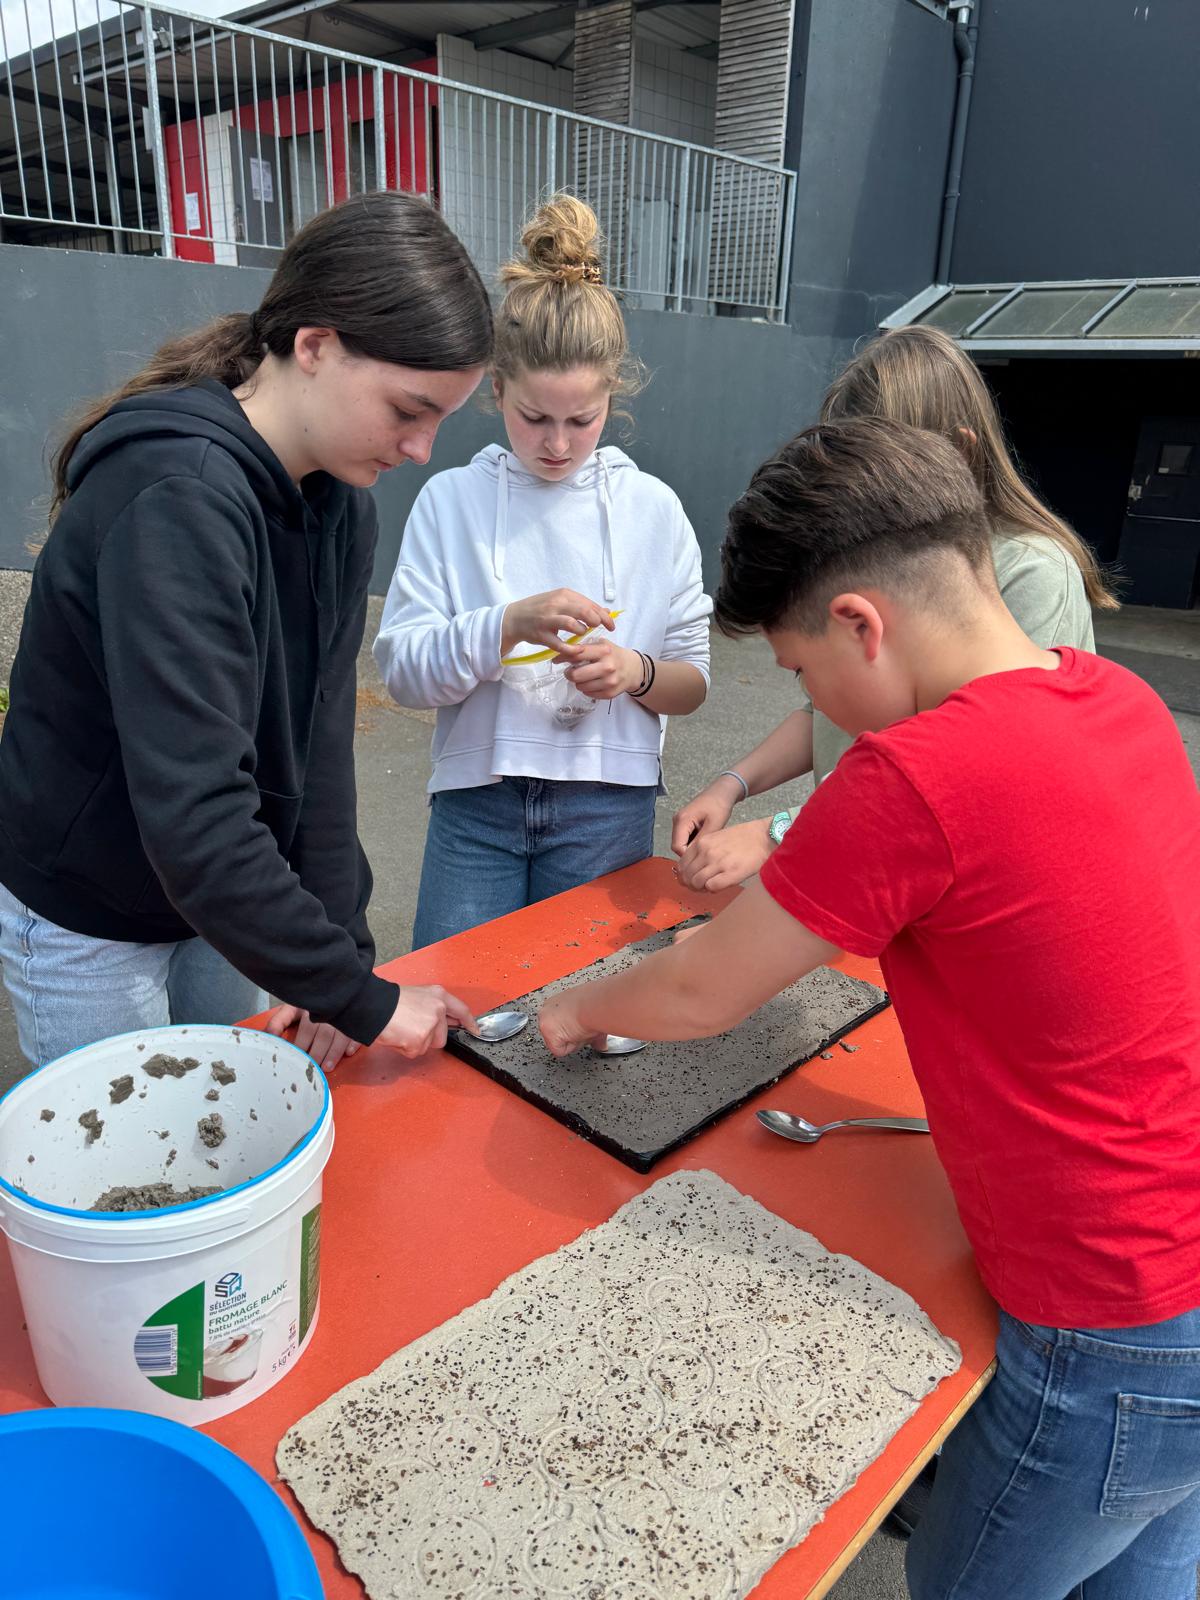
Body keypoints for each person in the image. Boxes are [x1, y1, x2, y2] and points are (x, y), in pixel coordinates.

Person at [538, 417, 1200, 1600]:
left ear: (860, 622)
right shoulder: (1120, 697)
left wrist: (580, 1010)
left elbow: (701, 987)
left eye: (799, 673)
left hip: (1110, 1310)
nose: (810, 697)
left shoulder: (914, 776)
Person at [0, 192, 491, 1073]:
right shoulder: (176, 495)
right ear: (315, 346)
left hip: (215, 899)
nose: (421, 449)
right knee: (134, 1148)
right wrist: (361, 998)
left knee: (221, 1120)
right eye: (408, 410)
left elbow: (319, 750)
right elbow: (193, 810)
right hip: (90, 908)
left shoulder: (339, 504)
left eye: (440, 421)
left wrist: (342, 963)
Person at [373, 195, 711, 949]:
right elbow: (401, 671)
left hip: (608, 805)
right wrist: (506, 625)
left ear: (611, 397)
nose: (557, 444)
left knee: (584, 1006)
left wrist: (633, 672)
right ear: (496, 391)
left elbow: (692, 682)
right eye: (534, 418)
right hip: (477, 803)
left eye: (581, 420)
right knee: (457, 1001)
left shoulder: (653, 511)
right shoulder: (452, 501)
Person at [671, 324, 1118, 894]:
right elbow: (822, 711)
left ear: (959, 452)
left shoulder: (1033, 571)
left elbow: (969, 771)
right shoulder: (874, 559)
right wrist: (732, 783)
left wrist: (778, 833)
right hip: (868, 862)